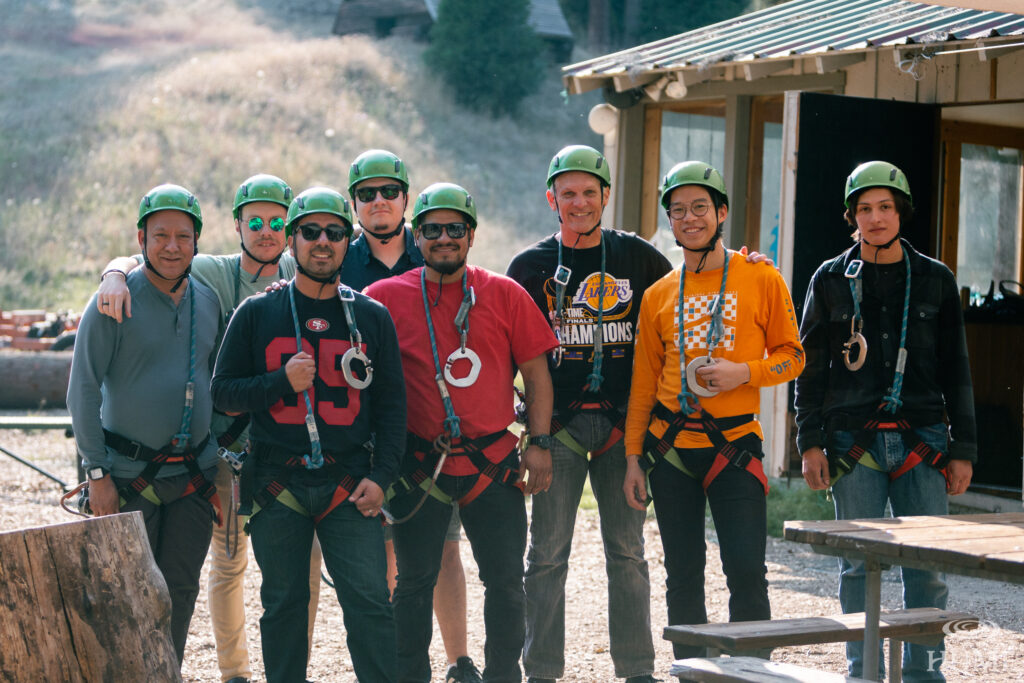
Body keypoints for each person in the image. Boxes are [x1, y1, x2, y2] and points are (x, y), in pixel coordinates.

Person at [94, 173, 318, 683]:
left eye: (277, 222)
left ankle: (294, 671)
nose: (266, 231)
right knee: (228, 564)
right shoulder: (214, 272)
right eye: (255, 221)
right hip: (227, 447)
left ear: (292, 228)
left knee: (301, 571)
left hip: (289, 445)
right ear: (236, 225)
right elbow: (152, 257)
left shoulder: (303, 267)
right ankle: (234, 671)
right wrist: (113, 271)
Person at [211, 187, 405, 683]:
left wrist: (383, 476)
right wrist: (280, 382)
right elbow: (223, 394)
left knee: (370, 605)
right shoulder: (256, 312)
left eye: (335, 232)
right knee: (282, 607)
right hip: (279, 483)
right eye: (311, 232)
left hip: (351, 482)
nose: (323, 242)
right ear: (292, 240)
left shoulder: (371, 316)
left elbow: (392, 409)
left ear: (349, 240)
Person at [365, 182, 556, 683]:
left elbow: (536, 375)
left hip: (491, 465)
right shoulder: (383, 298)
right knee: (412, 584)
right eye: (432, 229)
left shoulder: (504, 294)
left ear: (471, 235)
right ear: (416, 235)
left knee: (507, 585)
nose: (444, 238)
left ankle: (501, 677)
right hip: (420, 466)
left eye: (455, 229)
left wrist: (539, 444)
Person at [794, 161, 976, 681]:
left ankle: (925, 674)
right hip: (852, 444)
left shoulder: (935, 281)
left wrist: (964, 449)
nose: (875, 218)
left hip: (924, 440)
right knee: (857, 567)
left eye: (885, 207)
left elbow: (957, 369)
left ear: (902, 212)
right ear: (852, 216)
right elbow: (810, 370)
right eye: (865, 209)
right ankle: (862, 673)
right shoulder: (829, 279)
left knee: (928, 568)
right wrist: (809, 443)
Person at [623, 161, 804, 661]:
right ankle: (692, 671)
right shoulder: (658, 294)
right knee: (682, 573)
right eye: (678, 210)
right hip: (671, 448)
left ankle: (752, 673)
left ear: (721, 212)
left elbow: (793, 355)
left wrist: (742, 373)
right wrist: (634, 457)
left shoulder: (759, 278)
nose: (690, 218)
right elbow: (642, 385)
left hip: (735, 446)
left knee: (746, 569)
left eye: (700, 207)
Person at [506, 145, 669, 683]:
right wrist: (532, 436)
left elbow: (687, 295)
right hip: (559, 429)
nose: (579, 203)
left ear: (606, 197)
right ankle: (543, 670)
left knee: (628, 552)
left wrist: (739, 265)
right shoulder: (529, 267)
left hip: (624, 428)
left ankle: (637, 669)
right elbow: (511, 353)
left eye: (589, 193)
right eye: (568, 193)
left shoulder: (639, 258)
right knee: (548, 554)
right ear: (551, 198)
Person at [67, 183, 221, 665]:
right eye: (160, 236)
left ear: (197, 241)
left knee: (180, 589)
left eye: (182, 236)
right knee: (125, 594)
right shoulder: (113, 301)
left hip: (192, 479)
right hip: (126, 477)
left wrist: (217, 464)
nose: (171, 246)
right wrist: (97, 474)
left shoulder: (208, 300)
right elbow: (82, 391)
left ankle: (165, 673)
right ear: (140, 238)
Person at [341, 150, 475, 682]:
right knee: (383, 555)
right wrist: (116, 269)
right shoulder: (334, 254)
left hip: (428, 422)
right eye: (367, 194)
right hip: (363, 425)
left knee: (442, 548)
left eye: (389, 192)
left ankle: (458, 659)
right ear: (354, 204)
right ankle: (393, 665)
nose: (379, 202)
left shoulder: (434, 249)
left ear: (405, 198)